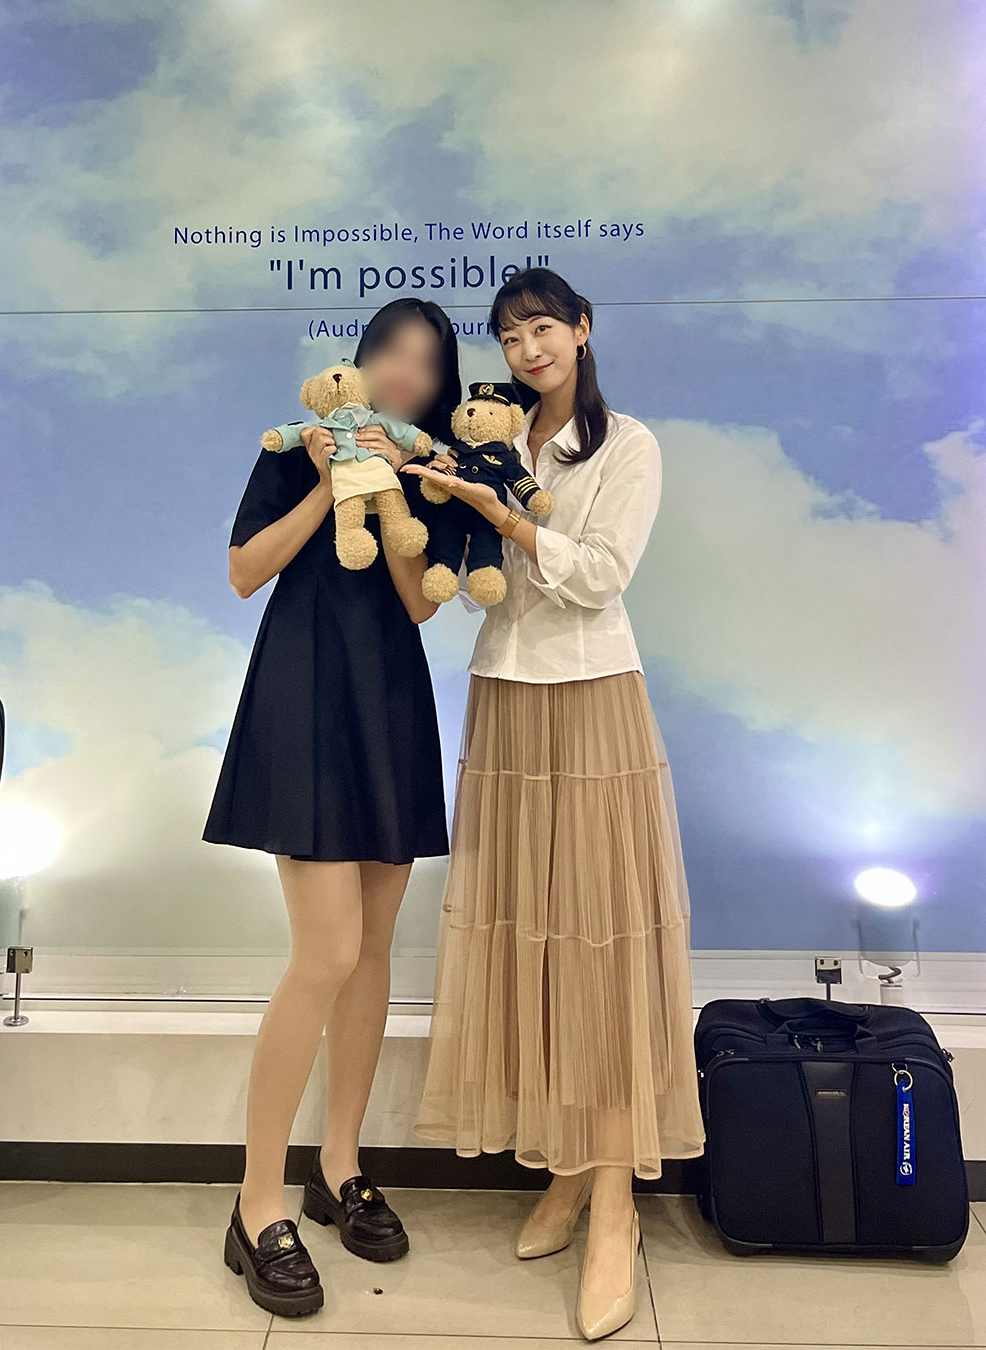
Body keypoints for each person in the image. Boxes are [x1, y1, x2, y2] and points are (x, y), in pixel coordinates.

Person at [404, 268, 705, 1342]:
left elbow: (603, 575)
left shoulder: (628, 446)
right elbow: (471, 574)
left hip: (592, 698)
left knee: (603, 943)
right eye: (509, 335)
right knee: (532, 941)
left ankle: (615, 1199)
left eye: (542, 327)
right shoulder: (491, 436)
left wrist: (509, 520)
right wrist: (455, 511)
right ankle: (567, 1170)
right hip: (506, 695)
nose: (527, 349)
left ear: (582, 328)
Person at [204, 298, 460, 1318]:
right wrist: (325, 482)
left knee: (372, 954)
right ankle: (256, 1201)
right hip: (304, 695)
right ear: (358, 362)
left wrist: (396, 489)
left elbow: (420, 600)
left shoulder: (432, 466)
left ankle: (340, 1165)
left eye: (425, 363)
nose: (404, 372)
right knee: (325, 954)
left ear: (437, 388)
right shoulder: (293, 444)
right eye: (391, 351)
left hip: (388, 702)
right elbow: (244, 572)